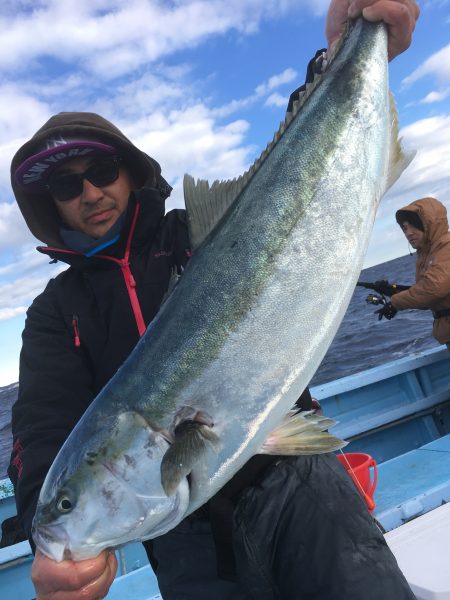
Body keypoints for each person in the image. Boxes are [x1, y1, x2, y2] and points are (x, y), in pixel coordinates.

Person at [8, 1, 420, 599]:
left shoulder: (192, 239)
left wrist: (343, 54)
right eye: (67, 185)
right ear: (52, 204)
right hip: (186, 541)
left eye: (100, 169)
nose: (90, 192)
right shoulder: (54, 314)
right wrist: (48, 535)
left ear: (127, 170)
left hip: (296, 481)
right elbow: (42, 429)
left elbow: (290, 187)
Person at [377, 197, 450, 347]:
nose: (408, 233)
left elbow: (432, 289)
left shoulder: (446, 247)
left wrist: (395, 303)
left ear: (429, 224)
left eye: (414, 226)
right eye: (404, 228)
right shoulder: (428, 255)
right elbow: (429, 299)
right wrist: (394, 292)